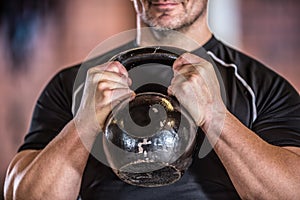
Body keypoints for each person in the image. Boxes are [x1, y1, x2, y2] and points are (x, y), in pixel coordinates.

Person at [4, 0, 300, 199]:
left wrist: (214, 116)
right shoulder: (75, 85)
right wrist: (84, 123)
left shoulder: (260, 87)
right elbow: (23, 193)